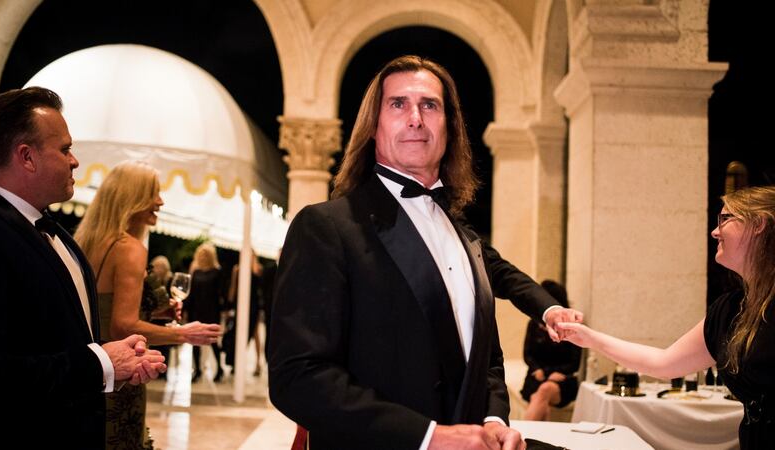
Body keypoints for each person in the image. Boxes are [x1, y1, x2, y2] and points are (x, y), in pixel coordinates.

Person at [268, 55, 582, 450]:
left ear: (449, 128)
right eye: (398, 104)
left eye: (430, 105)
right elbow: (296, 378)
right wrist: (429, 438)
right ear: (373, 127)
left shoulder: (464, 236)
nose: (415, 117)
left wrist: (493, 420)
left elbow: (487, 362)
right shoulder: (326, 226)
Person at [0, 87, 166, 449]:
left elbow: (58, 342)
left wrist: (117, 360)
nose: (75, 161)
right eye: (64, 149)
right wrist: (100, 364)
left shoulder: (57, 234)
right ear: (26, 157)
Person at [558, 185, 775, 449]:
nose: (715, 231)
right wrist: (590, 338)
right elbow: (664, 363)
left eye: (725, 218)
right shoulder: (730, 310)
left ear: (758, 225)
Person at [74, 161, 222, 448]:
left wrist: (156, 310)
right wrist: (184, 333)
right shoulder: (129, 248)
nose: (160, 201)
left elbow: (103, 306)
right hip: (121, 376)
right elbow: (123, 325)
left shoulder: (86, 242)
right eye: (153, 193)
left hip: (89, 369)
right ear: (132, 198)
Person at [520, 280, 581, 421]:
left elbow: (575, 363)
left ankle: (523, 435)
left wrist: (556, 372)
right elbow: (527, 354)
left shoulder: (572, 326)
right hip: (537, 376)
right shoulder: (534, 324)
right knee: (541, 399)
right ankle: (533, 439)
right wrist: (537, 369)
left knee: (544, 391)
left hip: (562, 379)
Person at [187, 242, 226, 382]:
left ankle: (219, 369)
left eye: (205, 254)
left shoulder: (217, 272)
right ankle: (197, 370)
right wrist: (186, 310)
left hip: (211, 310)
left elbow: (221, 293)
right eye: (201, 254)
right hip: (196, 310)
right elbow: (190, 293)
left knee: (213, 341)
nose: (203, 256)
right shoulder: (195, 272)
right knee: (195, 341)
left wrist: (224, 311)